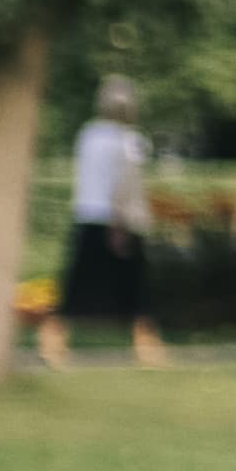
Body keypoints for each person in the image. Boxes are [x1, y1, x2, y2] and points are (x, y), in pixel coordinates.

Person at [61, 89, 162, 365]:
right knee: (137, 287)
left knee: (77, 284)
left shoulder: (88, 135)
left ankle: (54, 341)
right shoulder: (131, 140)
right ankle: (146, 345)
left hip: (87, 215)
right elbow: (125, 184)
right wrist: (120, 225)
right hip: (120, 220)